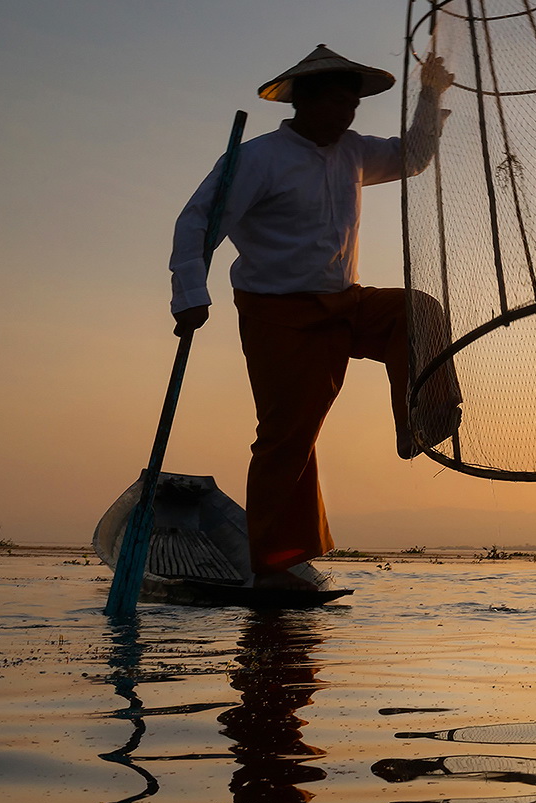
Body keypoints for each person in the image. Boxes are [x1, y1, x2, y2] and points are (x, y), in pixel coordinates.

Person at [170, 45, 460, 588]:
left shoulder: (352, 152)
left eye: (353, 101)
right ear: (304, 101)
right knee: (288, 436)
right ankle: (276, 563)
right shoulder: (257, 159)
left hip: (345, 302)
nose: (349, 110)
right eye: (338, 99)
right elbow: (197, 221)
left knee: (415, 311)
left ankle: (424, 421)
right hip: (280, 313)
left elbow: (413, 157)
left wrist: (430, 93)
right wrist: (189, 293)